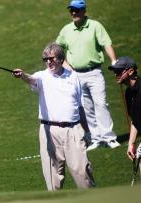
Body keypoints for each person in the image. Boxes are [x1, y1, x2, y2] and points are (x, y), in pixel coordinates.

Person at [12, 42, 95, 191]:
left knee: (83, 172)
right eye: (45, 59)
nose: (48, 62)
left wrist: (87, 131)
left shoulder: (74, 77)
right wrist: (22, 75)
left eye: (52, 58)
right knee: (53, 177)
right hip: (49, 130)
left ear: (61, 59)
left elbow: (80, 107)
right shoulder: (42, 76)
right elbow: (32, 79)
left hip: (73, 130)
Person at [55, 0, 120, 151]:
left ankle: (109, 137)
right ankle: (96, 138)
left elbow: (106, 43)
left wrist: (114, 60)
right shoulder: (66, 30)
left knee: (101, 104)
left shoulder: (95, 26)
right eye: (71, 10)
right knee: (86, 107)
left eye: (76, 10)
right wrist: (66, 65)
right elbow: (57, 49)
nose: (73, 13)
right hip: (76, 75)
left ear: (83, 11)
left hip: (94, 72)